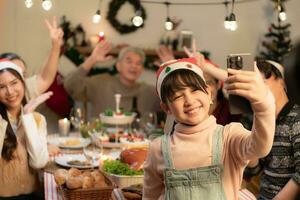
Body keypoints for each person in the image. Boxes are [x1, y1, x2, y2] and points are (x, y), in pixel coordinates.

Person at [143, 57, 276, 200]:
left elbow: (260, 148)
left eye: (194, 90)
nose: (189, 100)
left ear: (209, 93)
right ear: (166, 108)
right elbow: (150, 197)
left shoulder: (229, 136)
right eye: (178, 96)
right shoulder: (158, 148)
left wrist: (262, 105)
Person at [244, 60, 300, 200]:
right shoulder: (262, 120)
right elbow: (253, 168)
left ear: (281, 82)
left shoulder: (296, 118)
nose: (258, 90)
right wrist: (258, 115)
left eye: (262, 83)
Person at [64, 40, 161, 119]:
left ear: (142, 69)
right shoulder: (101, 83)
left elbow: (173, 101)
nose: (134, 66)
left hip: (138, 142)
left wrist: (172, 68)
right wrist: (92, 60)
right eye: (129, 61)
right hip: (102, 140)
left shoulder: (148, 92)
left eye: (138, 63)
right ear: (118, 66)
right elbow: (70, 85)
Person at [0, 59, 52, 199]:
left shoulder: (37, 119)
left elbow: (38, 162)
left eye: (14, 83)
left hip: (34, 195)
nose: (10, 92)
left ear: (23, 83)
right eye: (1, 87)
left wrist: (28, 117)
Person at [156, 45, 240, 126]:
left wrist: (206, 67)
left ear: (218, 84)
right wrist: (175, 67)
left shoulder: (231, 110)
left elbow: (242, 82)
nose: (202, 88)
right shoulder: (182, 114)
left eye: (209, 83)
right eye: (196, 86)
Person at [0, 16, 63, 100]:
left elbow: (45, 78)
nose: (10, 91)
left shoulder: (26, 91)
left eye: (23, 75)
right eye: (15, 74)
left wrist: (56, 45)